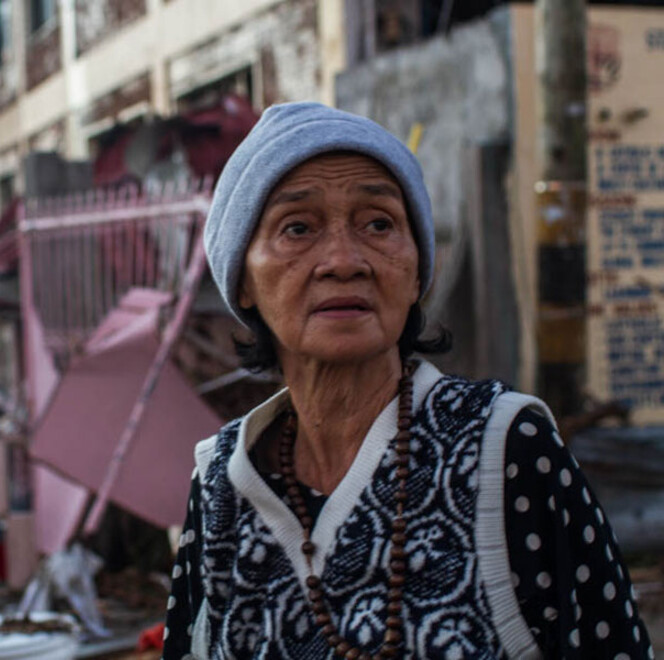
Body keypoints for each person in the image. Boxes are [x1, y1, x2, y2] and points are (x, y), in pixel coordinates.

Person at [162, 103, 653, 659]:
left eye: (379, 224)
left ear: (417, 268)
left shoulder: (503, 450)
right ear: (242, 279)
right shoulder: (222, 483)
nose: (344, 261)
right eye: (297, 228)